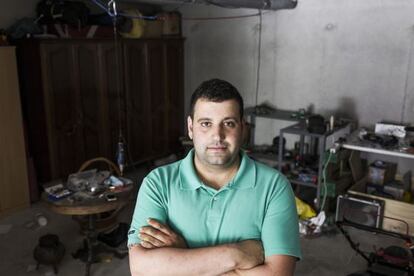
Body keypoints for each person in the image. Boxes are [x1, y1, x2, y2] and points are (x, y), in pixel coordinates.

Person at [128, 79, 301, 275]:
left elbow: (278, 274)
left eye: (228, 123)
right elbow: (141, 269)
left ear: (243, 128)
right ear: (191, 128)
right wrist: (235, 254)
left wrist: (183, 256)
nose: (217, 135)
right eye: (206, 124)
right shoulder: (158, 183)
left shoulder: (274, 187)